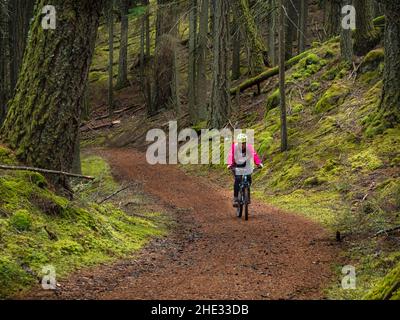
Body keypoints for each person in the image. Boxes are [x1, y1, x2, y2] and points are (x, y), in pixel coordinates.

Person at [227, 133, 263, 207]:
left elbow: (254, 154)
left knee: (249, 178)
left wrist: (258, 163)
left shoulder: (249, 147)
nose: (242, 145)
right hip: (236, 165)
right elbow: (230, 155)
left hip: (246, 164)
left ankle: (247, 196)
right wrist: (230, 164)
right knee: (238, 179)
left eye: (244, 143)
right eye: (241, 143)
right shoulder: (234, 147)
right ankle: (236, 198)